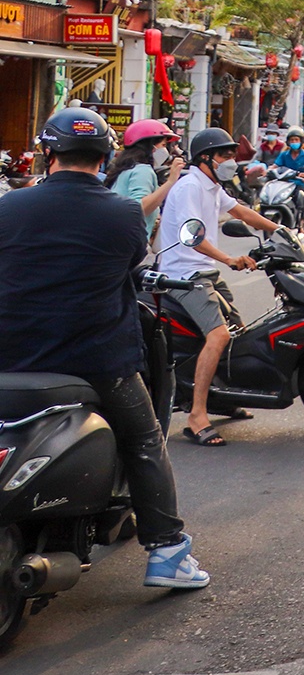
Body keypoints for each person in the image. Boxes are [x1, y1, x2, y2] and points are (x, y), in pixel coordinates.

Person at [0, 108, 211, 588]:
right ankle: (167, 554)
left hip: (11, 355)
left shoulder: (10, 206)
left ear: (47, 154)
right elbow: (132, 264)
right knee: (143, 438)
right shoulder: (121, 213)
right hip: (96, 361)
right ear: (104, 157)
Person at [155, 126, 281, 446]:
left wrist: (281, 229)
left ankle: (220, 396)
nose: (231, 161)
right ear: (205, 158)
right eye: (225, 155)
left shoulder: (213, 186)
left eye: (232, 155)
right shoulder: (189, 188)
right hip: (183, 275)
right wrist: (229, 259)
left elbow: (240, 211)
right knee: (219, 334)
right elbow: (194, 237)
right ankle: (197, 414)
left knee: (239, 331)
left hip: (204, 272)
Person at [108, 118, 186, 234]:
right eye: (163, 145)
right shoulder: (143, 171)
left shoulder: (127, 169)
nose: (165, 151)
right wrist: (171, 181)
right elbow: (139, 208)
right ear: (150, 146)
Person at [275, 127, 304, 218]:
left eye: (296, 140)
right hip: (288, 178)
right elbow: (277, 164)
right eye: (292, 140)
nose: (294, 142)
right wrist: (268, 170)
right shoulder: (285, 152)